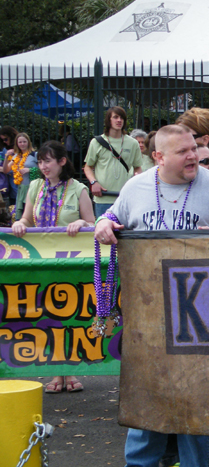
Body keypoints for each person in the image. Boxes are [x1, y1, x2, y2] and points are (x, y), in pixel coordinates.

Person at [95, 125, 209, 467]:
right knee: (146, 393)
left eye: (193, 149)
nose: (193, 156)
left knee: (194, 396)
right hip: (147, 317)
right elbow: (111, 217)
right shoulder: (135, 187)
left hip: (200, 316)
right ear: (158, 157)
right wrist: (103, 225)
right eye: (183, 152)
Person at [12, 141, 94, 393]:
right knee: (46, 314)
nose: (43, 166)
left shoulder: (78, 189)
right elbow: (27, 217)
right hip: (40, 259)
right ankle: (58, 372)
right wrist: (20, 224)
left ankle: (69, 370)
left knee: (69, 313)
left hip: (70, 260)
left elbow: (92, 222)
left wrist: (80, 222)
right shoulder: (34, 186)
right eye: (40, 161)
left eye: (48, 161)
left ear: (61, 161)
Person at [84, 106, 143, 217]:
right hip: (103, 198)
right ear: (108, 120)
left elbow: (137, 167)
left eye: (122, 118)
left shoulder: (133, 143)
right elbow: (88, 167)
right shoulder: (96, 142)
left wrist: (137, 179)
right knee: (103, 232)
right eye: (115, 117)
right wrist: (93, 182)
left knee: (124, 233)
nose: (119, 120)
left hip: (125, 197)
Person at [4, 132, 37, 221]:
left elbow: (44, 170)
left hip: (32, 188)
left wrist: (29, 170)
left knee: (32, 212)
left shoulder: (35, 155)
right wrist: (7, 157)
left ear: (28, 142)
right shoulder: (16, 156)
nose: (22, 144)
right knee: (21, 213)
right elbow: (6, 170)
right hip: (20, 189)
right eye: (20, 142)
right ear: (17, 144)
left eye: (24, 142)